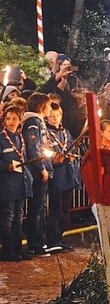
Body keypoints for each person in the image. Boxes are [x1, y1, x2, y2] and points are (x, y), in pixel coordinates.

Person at [45, 103, 80, 252]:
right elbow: (44, 150)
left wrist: (72, 156)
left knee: (65, 210)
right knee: (56, 209)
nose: (55, 118)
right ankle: (52, 239)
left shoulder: (65, 132)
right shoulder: (46, 132)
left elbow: (71, 145)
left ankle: (60, 237)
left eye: (57, 115)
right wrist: (53, 157)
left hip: (68, 174)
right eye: (52, 116)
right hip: (56, 177)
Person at [22, 93, 54, 256]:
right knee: (36, 207)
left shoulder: (38, 121)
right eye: (48, 105)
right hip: (36, 171)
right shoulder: (33, 122)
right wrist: (41, 168)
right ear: (42, 106)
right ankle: (35, 244)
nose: (50, 108)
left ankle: (39, 241)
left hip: (41, 168)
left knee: (40, 207)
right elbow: (33, 147)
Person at [0, 106, 33, 261]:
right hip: (7, 183)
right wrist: (7, 167)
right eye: (8, 119)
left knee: (19, 216)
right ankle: (8, 250)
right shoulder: (1, 138)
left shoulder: (20, 138)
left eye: (14, 119)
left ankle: (18, 248)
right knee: (8, 217)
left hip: (20, 183)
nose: (11, 122)